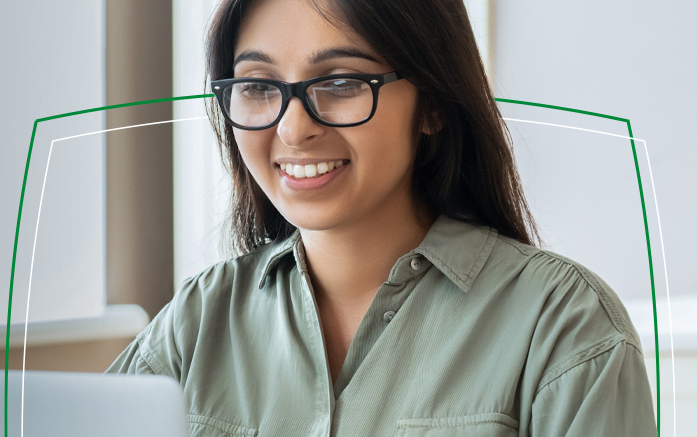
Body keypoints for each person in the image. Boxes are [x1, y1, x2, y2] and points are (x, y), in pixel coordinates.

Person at [104, 0, 656, 435]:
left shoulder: (566, 326)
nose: (294, 130)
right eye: (257, 86)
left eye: (341, 82)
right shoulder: (197, 320)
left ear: (434, 103)